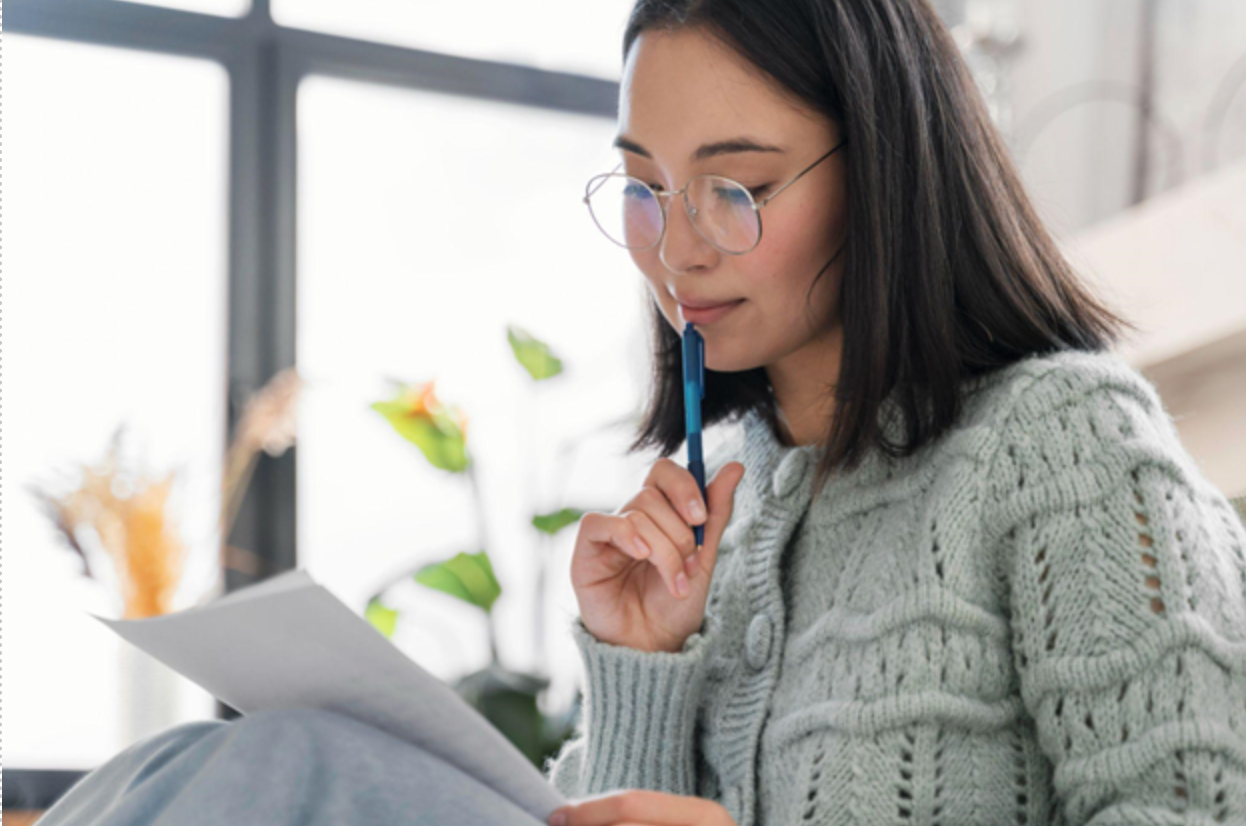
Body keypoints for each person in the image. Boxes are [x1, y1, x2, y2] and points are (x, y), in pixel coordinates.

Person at [37, 0, 1246, 825]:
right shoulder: (722, 498)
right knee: (195, 762)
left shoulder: (1064, 443)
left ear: (885, 167)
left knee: (286, 768)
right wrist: (636, 665)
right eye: (641, 184)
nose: (674, 248)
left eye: (736, 185)